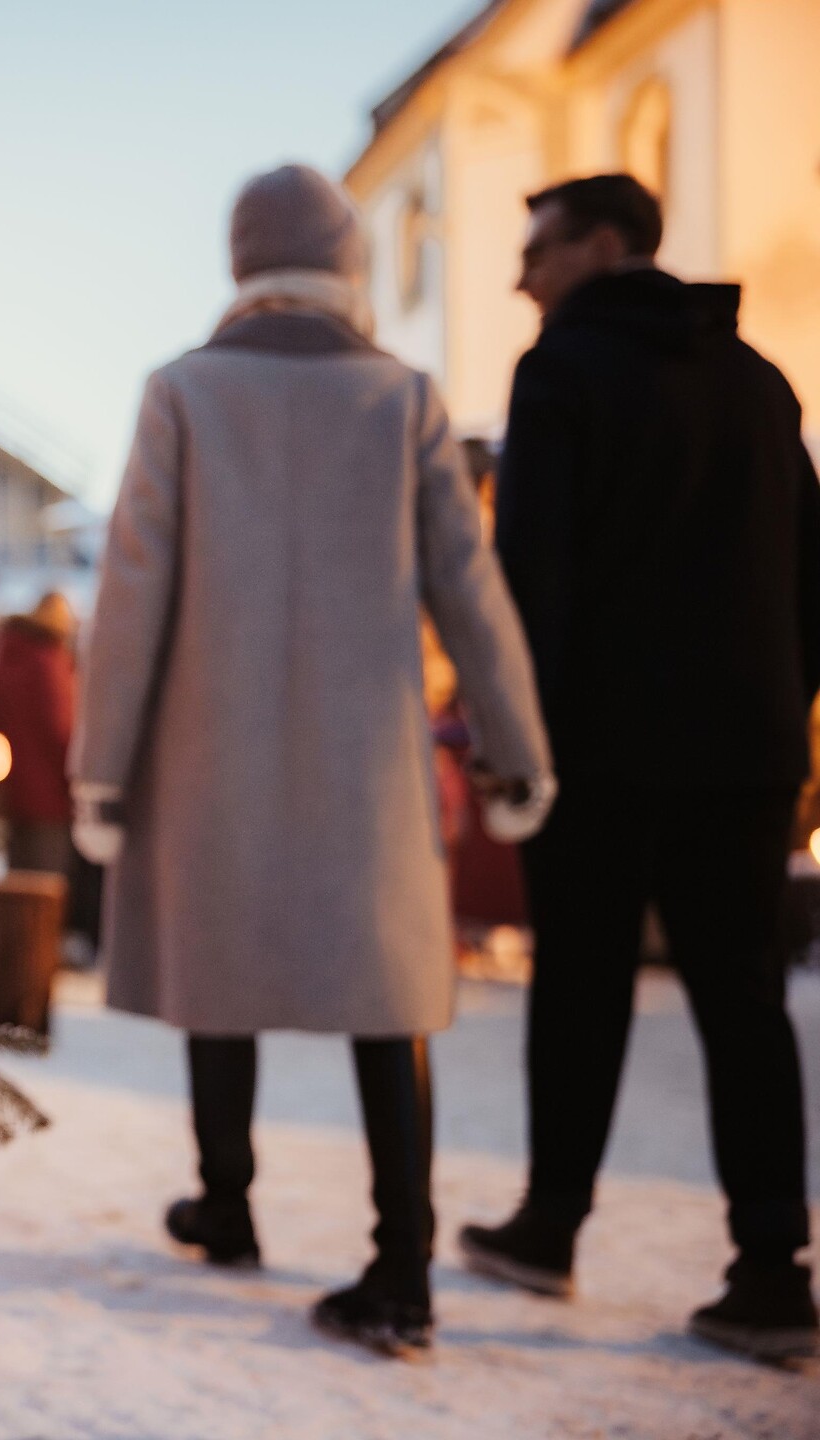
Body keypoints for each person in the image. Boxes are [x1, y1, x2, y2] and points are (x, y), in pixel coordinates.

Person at [69, 164, 553, 1356]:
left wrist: (103, 768)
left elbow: (132, 590)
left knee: (216, 967)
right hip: (367, 758)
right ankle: (401, 1266)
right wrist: (517, 750)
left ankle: (225, 1200)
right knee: (389, 1001)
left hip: (209, 750)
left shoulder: (183, 391)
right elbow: (470, 590)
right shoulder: (403, 397)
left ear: (242, 263)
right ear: (347, 264)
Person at [462, 173, 820, 1360]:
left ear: (606, 245)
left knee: (581, 988)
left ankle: (549, 1226)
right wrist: (789, 723)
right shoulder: (761, 381)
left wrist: (514, 742)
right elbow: (813, 573)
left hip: (600, 749)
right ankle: (772, 1270)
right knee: (744, 1000)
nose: (522, 278)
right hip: (748, 753)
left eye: (539, 252)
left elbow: (530, 579)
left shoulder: (560, 373)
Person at [0, 591, 77, 878]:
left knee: (21, 881)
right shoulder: (49, 661)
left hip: (16, 790)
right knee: (48, 884)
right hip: (52, 794)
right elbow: (61, 730)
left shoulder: (9, 656)